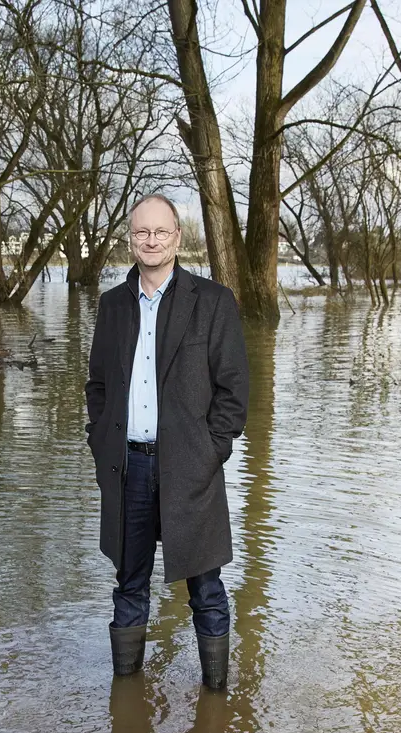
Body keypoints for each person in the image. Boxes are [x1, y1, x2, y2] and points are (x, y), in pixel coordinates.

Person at [84, 194, 250, 690]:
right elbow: (96, 386)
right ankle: (126, 698)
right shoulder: (113, 305)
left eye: (161, 232)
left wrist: (209, 450)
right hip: (127, 468)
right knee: (129, 585)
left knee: (207, 588)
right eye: (141, 232)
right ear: (130, 239)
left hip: (190, 470)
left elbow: (234, 390)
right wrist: (100, 442)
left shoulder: (214, 301)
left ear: (178, 237)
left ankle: (216, 696)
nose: (151, 241)